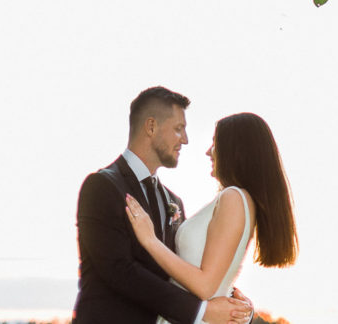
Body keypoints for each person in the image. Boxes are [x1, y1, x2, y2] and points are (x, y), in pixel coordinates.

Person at [73, 86, 254, 324]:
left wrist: (236, 308)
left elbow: (184, 269)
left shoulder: (173, 202)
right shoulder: (101, 186)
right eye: (179, 129)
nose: (186, 140)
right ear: (151, 126)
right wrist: (202, 312)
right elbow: (119, 271)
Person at [125, 112, 298, 321]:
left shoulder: (233, 198)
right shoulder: (237, 200)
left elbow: (205, 286)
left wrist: (150, 240)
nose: (208, 152)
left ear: (235, 151)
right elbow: (212, 277)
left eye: (215, 143)